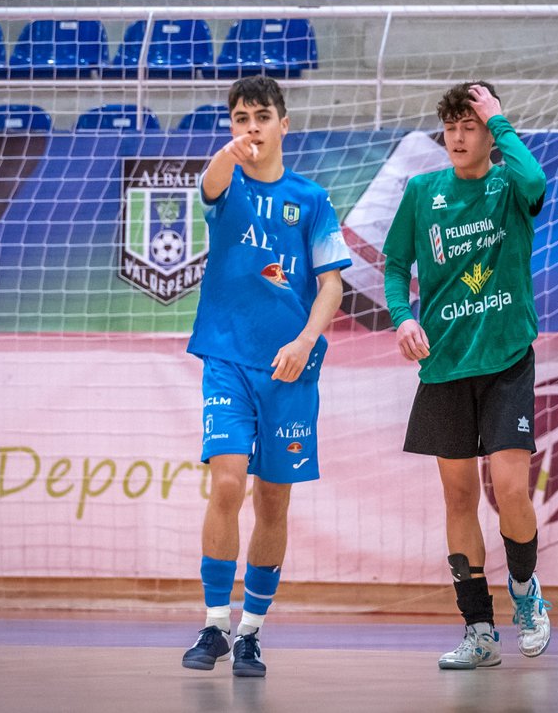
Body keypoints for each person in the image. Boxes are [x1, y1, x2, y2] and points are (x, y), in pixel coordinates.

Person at [182, 76, 351, 677]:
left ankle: (251, 632)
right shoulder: (225, 183)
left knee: (272, 502)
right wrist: (230, 153)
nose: (250, 126)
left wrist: (306, 342)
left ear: (285, 123)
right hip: (227, 357)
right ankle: (213, 625)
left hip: (290, 368)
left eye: (260, 117)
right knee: (227, 483)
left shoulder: (311, 200)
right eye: (239, 118)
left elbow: (331, 282)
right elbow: (207, 184)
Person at [382, 82, 551, 669]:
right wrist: (403, 318)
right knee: (457, 499)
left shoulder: (509, 186)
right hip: (444, 367)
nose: (457, 136)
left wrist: (501, 121)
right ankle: (478, 630)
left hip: (505, 362)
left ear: (488, 131)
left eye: (469, 125)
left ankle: (527, 594)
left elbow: (537, 183)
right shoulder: (422, 190)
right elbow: (395, 264)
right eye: (451, 126)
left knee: (509, 491)